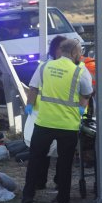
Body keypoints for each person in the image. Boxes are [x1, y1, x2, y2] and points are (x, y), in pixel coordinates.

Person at [22, 39, 93, 203]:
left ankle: (27, 196)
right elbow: (87, 93)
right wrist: (82, 109)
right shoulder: (79, 71)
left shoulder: (44, 67)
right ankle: (63, 200)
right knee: (64, 163)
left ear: (60, 50)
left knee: (35, 160)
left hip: (44, 122)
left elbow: (34, 88)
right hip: (67, 125)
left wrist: (29, 106)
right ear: (75, 53)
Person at [25, 35, 67, 190]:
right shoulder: (45, 67)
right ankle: (39, 182)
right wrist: (29, 105)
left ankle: (58, 181)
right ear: (56, 50)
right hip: (43, 116)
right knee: (43, 152)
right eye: (63, 48)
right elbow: (33, 87)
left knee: (61, 153)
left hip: (63, 117)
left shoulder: (70, 68)